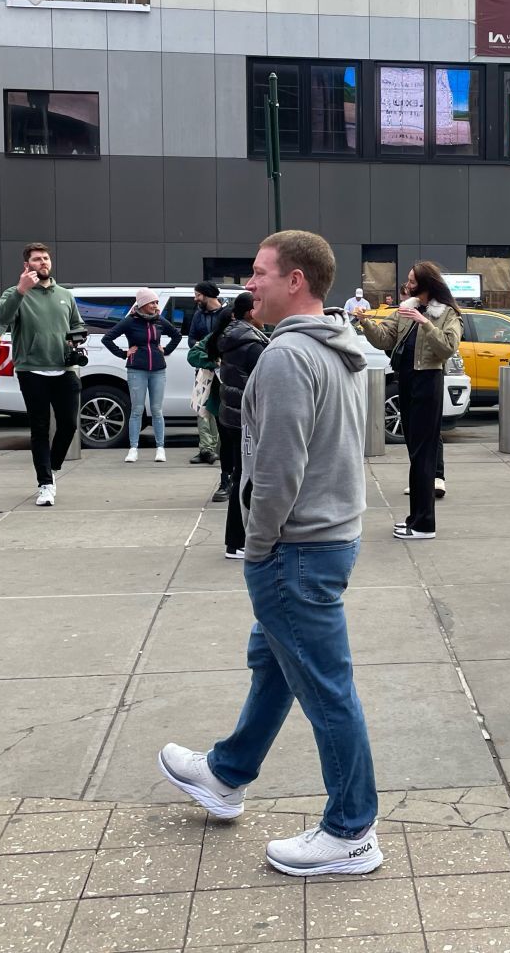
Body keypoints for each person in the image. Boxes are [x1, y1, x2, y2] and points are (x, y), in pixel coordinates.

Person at [157, 230, 383, 878]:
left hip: (296, 548)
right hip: (328, 538)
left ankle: (351, 830)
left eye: (259, 272)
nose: (248, 283)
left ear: (297, 281)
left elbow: (279, 467)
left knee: (325, 688)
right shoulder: (338, 347)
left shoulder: (286, 358)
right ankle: (226, 773)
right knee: (278, 662)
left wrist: (256, 546)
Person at [356, 263, 463, 541]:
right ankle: (415, 518)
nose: (408, 284)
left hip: (428, 381)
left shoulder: (447, 314)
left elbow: (447, 348)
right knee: (415, 452)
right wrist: (365, 322)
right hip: (406, 379)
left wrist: (424, 322)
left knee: (424, 454)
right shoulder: (406, 309)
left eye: (412, 280)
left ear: (426, 283)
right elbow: (384, 339)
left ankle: (424, 523)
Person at [0, 244, 85, 507]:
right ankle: (45, 483)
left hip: (63, 368)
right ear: (27, 265)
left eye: (45, 258)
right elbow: (2, 317)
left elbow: (76, 323)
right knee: (40, 427)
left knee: (68, 424)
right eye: (36, 259)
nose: (43, 262)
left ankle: (52, 469)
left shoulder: (65, 295)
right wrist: (21, 290)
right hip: (31, 369)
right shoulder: (15, 293)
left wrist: (77, 338)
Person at [213, 292, 268, 561]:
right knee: (246, 480)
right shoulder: (252, 344)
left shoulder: (233, 336)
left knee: (240, 477)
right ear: (250, 313)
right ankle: (238, 541)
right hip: (244, 420)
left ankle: (237, 540)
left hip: (230, 417)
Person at [102, 288, 181, 463]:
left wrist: (166, 350)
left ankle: (160, 448)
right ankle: (133, 448)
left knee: (157, 410)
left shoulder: (159, 320)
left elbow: (176, 335)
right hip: (136, 370)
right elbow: (107, 338)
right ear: (143, 304)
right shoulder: (130, 322)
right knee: (137, 410)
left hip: (158, 370)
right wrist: (124, 353)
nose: (155, 305)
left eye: (156, 302)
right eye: (152, 302)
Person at [188, 282, 227, 468]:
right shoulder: (198, 314)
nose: (195, 299)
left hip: (223, 371)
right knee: (202, 407)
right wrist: (206, 353)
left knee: (220, 408)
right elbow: (191, 339)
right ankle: (205, 448)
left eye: (198, 295)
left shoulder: (225, 314)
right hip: (203, 369)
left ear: (207, 295)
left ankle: (220, 449)